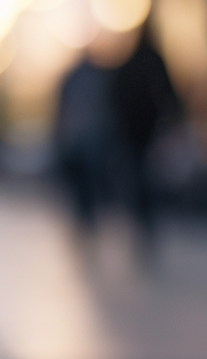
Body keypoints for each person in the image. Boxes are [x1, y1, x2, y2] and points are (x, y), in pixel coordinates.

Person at [110, 22, 181, 259]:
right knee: (145, 178)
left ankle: (144, 222)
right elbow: (169, 93)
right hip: (145, 130)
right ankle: (146, 222)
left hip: (136, 131)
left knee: (140, 177)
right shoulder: (150, 61)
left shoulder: (132, 62)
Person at [55, 52, 113, 238]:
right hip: (89, 137)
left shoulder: (73, 78)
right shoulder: (98, 78)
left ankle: (86, 215)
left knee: (83, 182)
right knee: (86, 181)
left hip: (80, 137)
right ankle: (87, 215)